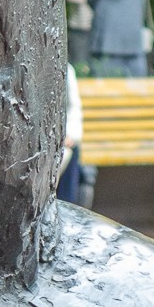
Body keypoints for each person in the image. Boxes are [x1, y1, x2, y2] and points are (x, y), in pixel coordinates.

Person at [54, 63, 95, 208]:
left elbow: (73, 108)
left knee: (71, 152)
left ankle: (66, 206)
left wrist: (70, 134)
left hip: (62, 140)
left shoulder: (65, 68)